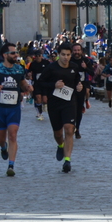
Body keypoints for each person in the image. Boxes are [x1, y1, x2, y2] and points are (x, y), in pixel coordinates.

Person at [0, 43, 32, 177]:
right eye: (13, 53)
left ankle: (11, 165)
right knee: (1, 138)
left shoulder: (19, 69)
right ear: (5, 55)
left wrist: (27, 88)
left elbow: (22, 83)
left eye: (16, 53)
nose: (16, 55)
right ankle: (3, 147)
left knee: (13, 135)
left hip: (14, 107)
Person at [34, 43, 84, 173]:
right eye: (63, 55)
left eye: (68, 55)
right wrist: (53, 85)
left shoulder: (74, 67)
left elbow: (78, 81)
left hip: (69, 102)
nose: (66, 57)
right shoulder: (51, 68)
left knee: (69, 129)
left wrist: (80, 86)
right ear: (58, 54)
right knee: (58, 132)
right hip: (54, 103)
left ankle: (67, 160)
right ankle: (60, 145)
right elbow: (40, 83)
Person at [69, 44, 96, 140]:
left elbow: (92, 73)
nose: (76, 52)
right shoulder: (69, 60)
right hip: (70, 87)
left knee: (79, 109)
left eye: (78, 50)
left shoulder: (86, 60)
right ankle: (71, 127)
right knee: (71, 108)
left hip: (82, 86)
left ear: (81, 51)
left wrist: (85, 68)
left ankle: (77, 129)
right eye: (75, 50)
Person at [26, 49, 49, 121]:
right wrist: (28, 75)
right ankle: (39, 113)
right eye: (37, 56)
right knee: (38, 98)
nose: (38, 57)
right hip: (37, 83)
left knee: (45, 100)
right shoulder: (32, 64)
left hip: (45, 83)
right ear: (34, 57)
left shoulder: (46, 62)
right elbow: (28, 74)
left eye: (40, 55)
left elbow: (51, 71)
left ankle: (43, 107)